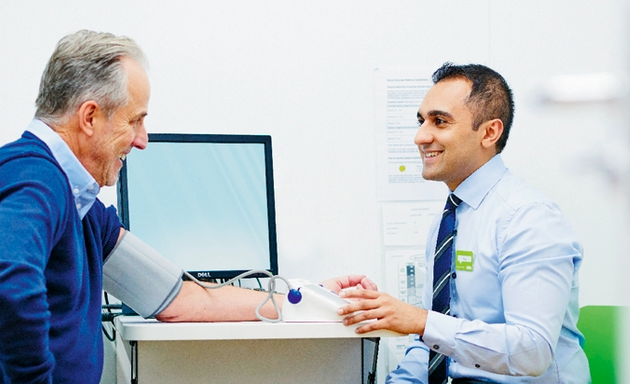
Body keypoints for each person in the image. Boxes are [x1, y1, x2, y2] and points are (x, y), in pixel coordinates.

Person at [0, 30, 375, 383]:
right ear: (90, 117)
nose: (142, 141)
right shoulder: (35, 177)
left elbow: (180, 299)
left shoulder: (83, 208)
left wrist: (304, 296)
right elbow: (11, 280)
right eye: (135, 121)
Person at [338, 63, 590, 383]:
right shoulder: (450, 220)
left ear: (489, 132)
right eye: (421, 121)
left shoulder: (528, 218)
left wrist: (420, 321)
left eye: (439, 121)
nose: (420, 136)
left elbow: (532, 351)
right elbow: (433, 338)